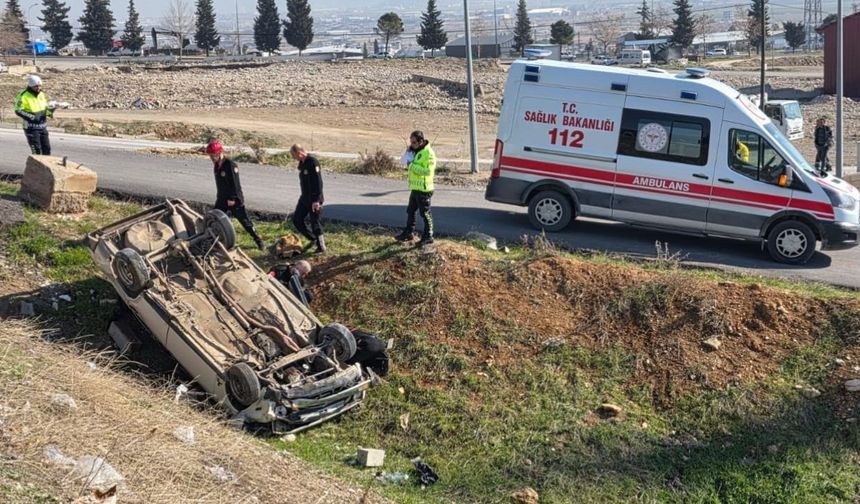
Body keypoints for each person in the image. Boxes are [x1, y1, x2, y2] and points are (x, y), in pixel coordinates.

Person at [207, 139, 265, 250]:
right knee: (215, 219)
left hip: (234, 200)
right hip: (222, 199)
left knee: (245, 222)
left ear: (219, 153)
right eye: (210, 156)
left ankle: (258, 240)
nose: (211, 158)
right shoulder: (217, 165)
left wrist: (233, 199)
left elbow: (235, 185)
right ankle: (213, 240)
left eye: (213, 155)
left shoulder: (230, 165)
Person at [394, 130, 437, 247]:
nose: (411, 144)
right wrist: (408, 153)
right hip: (415, 188)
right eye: (411, 142)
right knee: (410, 210)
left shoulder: (428, 153)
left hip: (424, 189)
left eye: (413, 142)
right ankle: (408, 232)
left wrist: (412, 165)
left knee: (425, 213)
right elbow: (405, 161)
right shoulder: (416, 151)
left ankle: (428, 236)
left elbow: (428, 171)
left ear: (421, 141)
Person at [290, 144, 326, 254]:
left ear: (299, 153)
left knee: (315, 223)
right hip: (305, 198)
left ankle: (321, 246)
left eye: (294, 155)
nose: (294, 158)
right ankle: (312, 239)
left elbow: (318, 183)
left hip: (314, 199)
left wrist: (316, 200)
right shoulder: (302, 163)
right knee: (297, 220)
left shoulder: (312, 162)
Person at [14, 75, 55, 155]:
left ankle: (45, 167)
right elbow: (18, 110)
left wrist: (51, 110)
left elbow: (45, 110)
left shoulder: (41, 94)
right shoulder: (23, 95)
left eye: (40, 86)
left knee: (47, 150)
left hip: (42, 127)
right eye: (36, 86)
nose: (38, 88)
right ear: (30, 86)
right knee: (37, 151)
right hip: (31, 127)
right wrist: (32, 116)